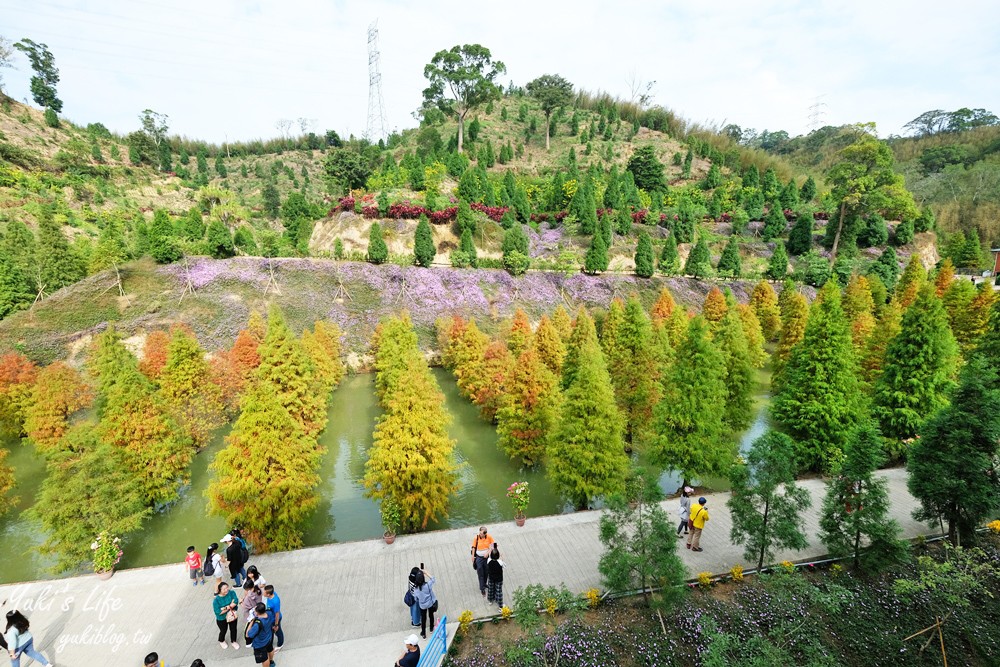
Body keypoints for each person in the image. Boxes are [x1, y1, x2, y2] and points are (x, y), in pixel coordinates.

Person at [212, 581, 240, 650]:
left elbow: (236, 601)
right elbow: (218, 612)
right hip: (222, 618)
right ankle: (221, 640)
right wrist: (230, 606)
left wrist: (225, 608)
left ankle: (233, 641)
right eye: (224, 589)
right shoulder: (216, 600)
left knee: (233, 629)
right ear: (219, 590)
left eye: (227, 587)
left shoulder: (231, 593)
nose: (226, 590)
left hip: (232, 615)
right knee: (223, 630)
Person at [246, 602, 275, 667]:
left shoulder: (257, 624)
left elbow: (249, 634)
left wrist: (251, 621)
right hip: (269, 638)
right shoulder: (269, 613)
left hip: (260, 644)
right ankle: (272, 662)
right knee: (270, 650)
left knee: (264, 659)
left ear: (257, 612)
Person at [412, 568, 438, 640]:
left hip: (422, 606)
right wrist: (426, 573)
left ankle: (423, 634)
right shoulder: (427, 585)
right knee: (431, 615)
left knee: (423, 619)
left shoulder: (416, 589)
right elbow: (433, 579)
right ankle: (431, 628)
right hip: (430, 603)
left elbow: (416, 599)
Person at [469, 526, 495, 597]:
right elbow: (473, 547)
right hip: (479, 558)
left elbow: (493, 545)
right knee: (480, 573)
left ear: (485, 534)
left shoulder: (489, 537)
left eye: (482, 533)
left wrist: (488, 552)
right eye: (480, 533)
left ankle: (485, 584)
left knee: (486, 572)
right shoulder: (476, 538)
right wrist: (472, 557)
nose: (480, 534)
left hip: (486, 558)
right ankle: (482, 588)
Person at [263, 584, 284, 652]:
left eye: (265, 592)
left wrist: (276, 624)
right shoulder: (272, 594)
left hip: (274, 619)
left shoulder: (275, 601)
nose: (263, 593)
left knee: (278, 631)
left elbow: (277, 614)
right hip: (270, 618)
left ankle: (280, 644)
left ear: (268, 594)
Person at [486, 546, 505, 611]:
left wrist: (490, 549)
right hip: (498, 579)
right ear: (498, 556)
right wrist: (502, 557)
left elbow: (489, 556)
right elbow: (503, 564)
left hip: (491, 578)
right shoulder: (500, 562)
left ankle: (490, 600)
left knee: (491, 589)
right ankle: (500, 606)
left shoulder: (489, 561)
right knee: (499, 591)